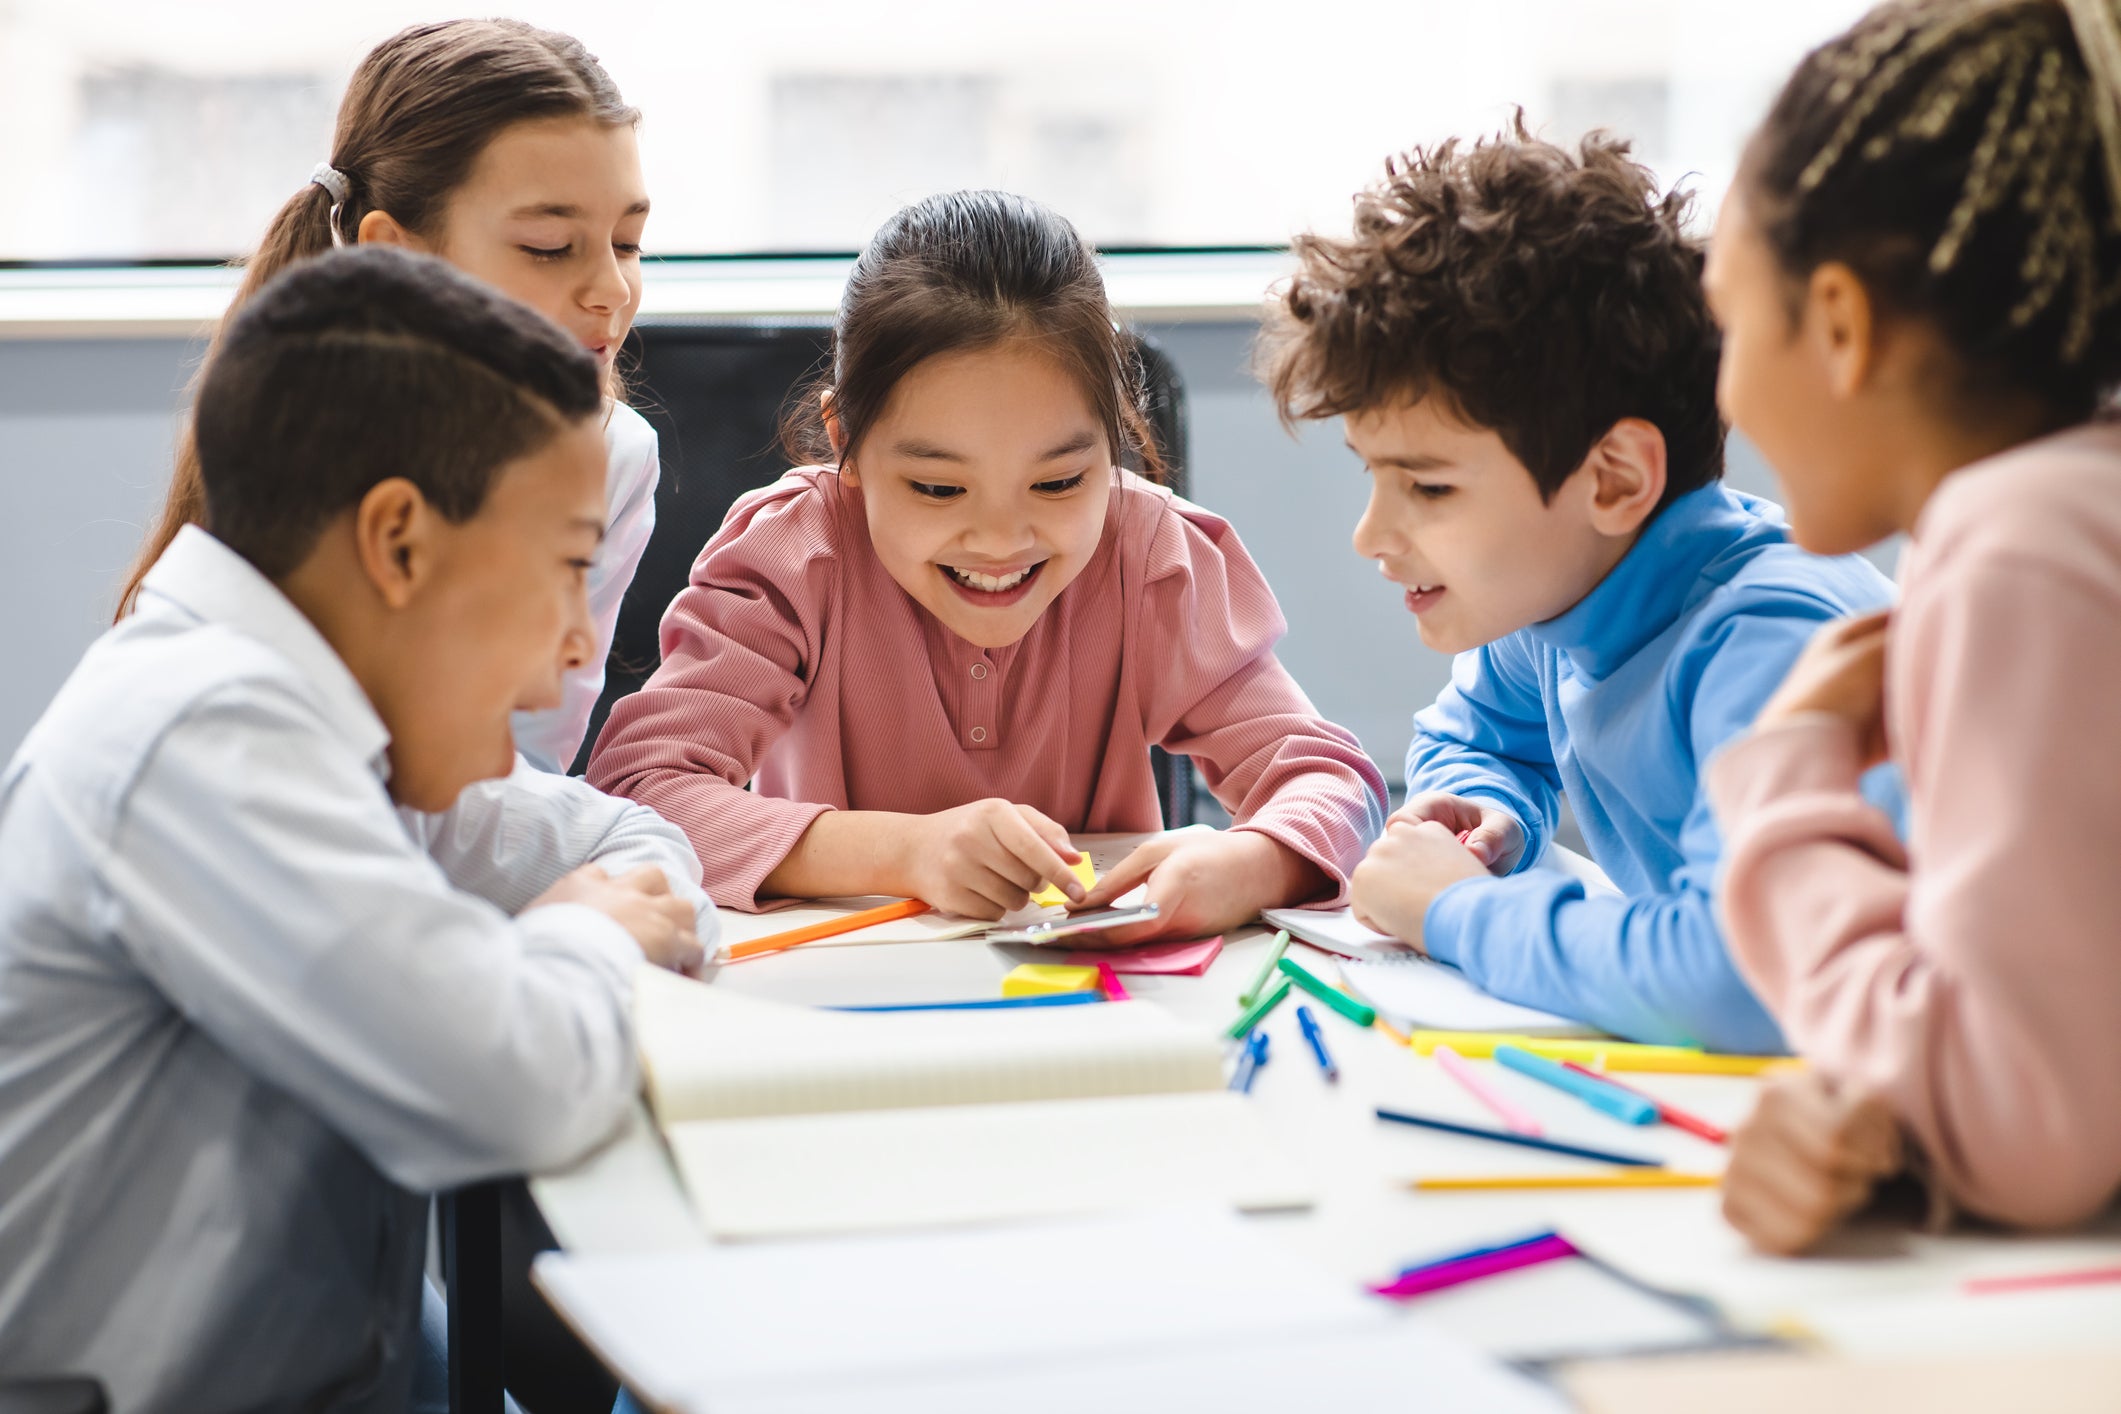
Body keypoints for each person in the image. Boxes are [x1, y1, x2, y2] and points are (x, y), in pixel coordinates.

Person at [0, 246, 713, 1412]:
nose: (581, 647)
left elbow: (629, 852)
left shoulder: (331, 739)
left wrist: (569, 935)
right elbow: (509, 1082)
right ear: (399, 544)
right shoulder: (207, 734)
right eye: (566, 567)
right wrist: (576, 942)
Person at [588, 190, 1385, 939]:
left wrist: (1253, 860)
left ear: (1114, 437)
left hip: (1093, 1001)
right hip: (841, 998)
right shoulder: (796, 555)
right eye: (937, 487)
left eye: (1059, 482)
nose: (1000, 541)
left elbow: (1329, 781)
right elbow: (639, 790)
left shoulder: (1149, 555)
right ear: (845, 443)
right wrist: (904, 853)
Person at [1257, 122, 1900, 1051]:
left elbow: (1736, 975)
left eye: (1428, 486)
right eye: (1374, 475)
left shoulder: (1771, 643)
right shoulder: (1554, 599)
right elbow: (1473, 737)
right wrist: (1486, 815)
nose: (1372, 536)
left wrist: (1455, 911)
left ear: (1611, 480)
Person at [1702, 0, 2121, 1251]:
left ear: (1838, 321)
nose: (1724, 390)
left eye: (1728, 324)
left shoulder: (2019, 543)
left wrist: (1785, 781)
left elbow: (2028, 1132)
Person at [116, 18, 658, 772]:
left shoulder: (614, 452)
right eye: (547, 247)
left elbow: (522, 769)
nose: (611, 290)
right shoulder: (292, 439)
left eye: (628, 242)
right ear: (395, 258)